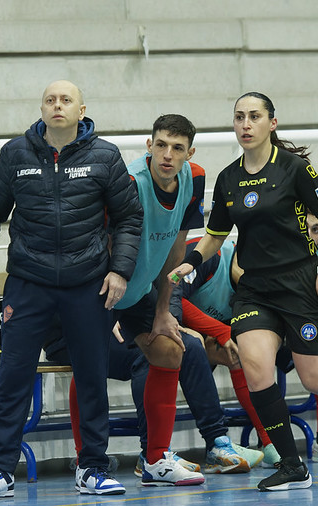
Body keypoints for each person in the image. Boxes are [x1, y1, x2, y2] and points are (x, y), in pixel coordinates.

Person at [170, 92, 318, 492]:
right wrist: (191, 263)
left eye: (254, 117)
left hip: (301, 283)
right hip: (255, 289)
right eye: (239, 117)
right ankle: (292, 464)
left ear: (272, 123)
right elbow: (216, 235)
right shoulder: (228, 177)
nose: (245, 125)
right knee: (257, 366)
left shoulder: (296, 169)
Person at [0, 80, 143, 498]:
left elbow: (129, 219)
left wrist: (120, 271)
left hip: (88, 284)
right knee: (13, 375)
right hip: (29, 282)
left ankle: (93, 468)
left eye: (66, 100)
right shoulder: (16, 153)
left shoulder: (105, 156)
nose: (57, 105)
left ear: (82, 110)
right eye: (50, 100)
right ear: (41, 108)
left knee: (92, 375)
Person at [179, 215, 318, 463]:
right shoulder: (214, 255)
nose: (307, 235)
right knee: (241, 351)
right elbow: (170, 297)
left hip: (243, 332)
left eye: (316, 229)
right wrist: (220, 331)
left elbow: (317, 311)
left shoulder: (305, 266)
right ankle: (267, 443)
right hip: (185, 329)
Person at [111, 114, 207, 486]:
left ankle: (155, 461)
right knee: (87, 363)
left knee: (170, 349)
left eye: (177, 148)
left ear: (189, 153)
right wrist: (109, 306)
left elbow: (177, 246)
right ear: (149, 146)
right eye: (161, 145)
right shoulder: (130, 182)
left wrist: (164, 308)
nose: (167, 155)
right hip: (100, 285)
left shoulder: (194, 178)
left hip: (139, 292)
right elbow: (106, 240)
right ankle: (86, 462)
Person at [43, 324, 263, 477]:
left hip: (126, 321)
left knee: (191, 345)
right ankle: (151, 455)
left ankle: (216, 444)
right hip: (76, 333)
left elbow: (159, 292)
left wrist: (169, 319)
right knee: (151, 355)